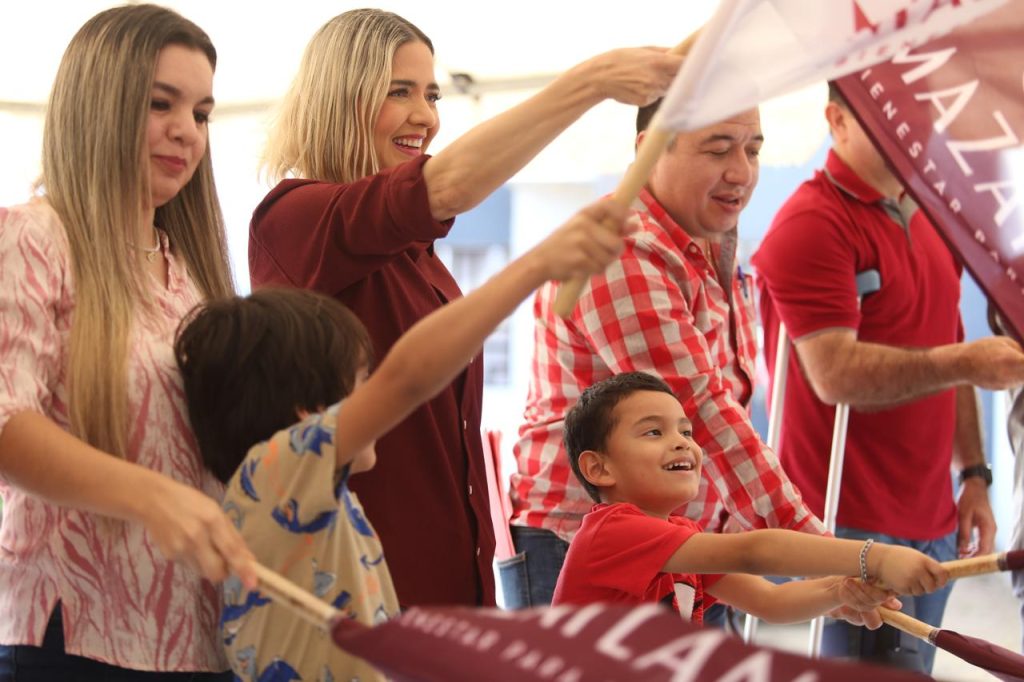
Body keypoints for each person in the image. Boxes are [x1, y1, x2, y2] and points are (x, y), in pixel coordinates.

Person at [247, 8, 681, 608]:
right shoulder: (297, 218)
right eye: (399, 92)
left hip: (450, 580)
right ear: (339, 98)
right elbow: (446, 186)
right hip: (361, 588)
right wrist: (591, 83)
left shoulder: (415, 256)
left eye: (431, 95)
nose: (426, 116)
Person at [178, 200, 634, 681]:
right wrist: (538, 265)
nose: (377, 404)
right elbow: (407, 378)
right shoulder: (277, 474)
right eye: (361, 382)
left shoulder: (315, 501)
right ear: (308, 416)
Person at [0, 5, 256, 681]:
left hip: (203, 638)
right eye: (159, 103)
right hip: (77, 635)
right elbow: (5, 420)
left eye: (201, 113)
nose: (186, 131)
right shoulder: (33, 236)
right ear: (98, 105)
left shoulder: (192, 275)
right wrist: (153, 496)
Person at [505, 95, 827, 609]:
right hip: (578, 539)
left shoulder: (708, 240)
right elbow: (704, 411)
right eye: (718, 149)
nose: (742, 172)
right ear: (649, 150)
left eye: (753, 150)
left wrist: (833, 576)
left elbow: (713, 416)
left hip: (680, 537)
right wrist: (832, 556)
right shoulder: (621, 249)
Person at [750, 82, 1024, 673]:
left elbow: (949, 343)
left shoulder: (931, 216)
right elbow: (835, 375)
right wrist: (965, 362)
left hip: (932, 518)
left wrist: (974, 476)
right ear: (837, 121)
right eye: (889, 120)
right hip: (849, 523)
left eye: (920, 121)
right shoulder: (810, 223)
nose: (910, 136)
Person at [553, 371, 948, 627]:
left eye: (686, 432)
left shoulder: (681, 538)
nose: (682, 443)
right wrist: (875, 557)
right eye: (653, 432)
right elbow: (754, 552)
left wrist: (838, 592)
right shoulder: (612, 533)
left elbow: (769, 600)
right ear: (598, 468)